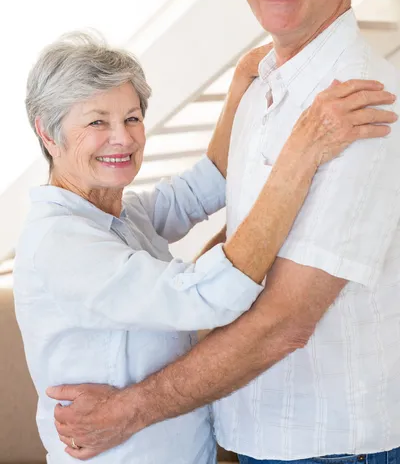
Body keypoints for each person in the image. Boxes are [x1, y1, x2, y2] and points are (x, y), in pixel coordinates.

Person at [47, 0, 400, 464]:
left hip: (325, 449)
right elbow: (232, 232)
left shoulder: (363, 109)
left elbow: (283, 321)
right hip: (244, 435)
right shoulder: (264, 87)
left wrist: (124, 413)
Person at [13, 32, 391, 464]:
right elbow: (206, 296)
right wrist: (301, 154)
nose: (123, 139)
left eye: (132, 118)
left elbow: (200, 187)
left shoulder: (116, 214)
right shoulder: (59, 243)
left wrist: (238, 93)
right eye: (98, 122)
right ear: (48, 132)